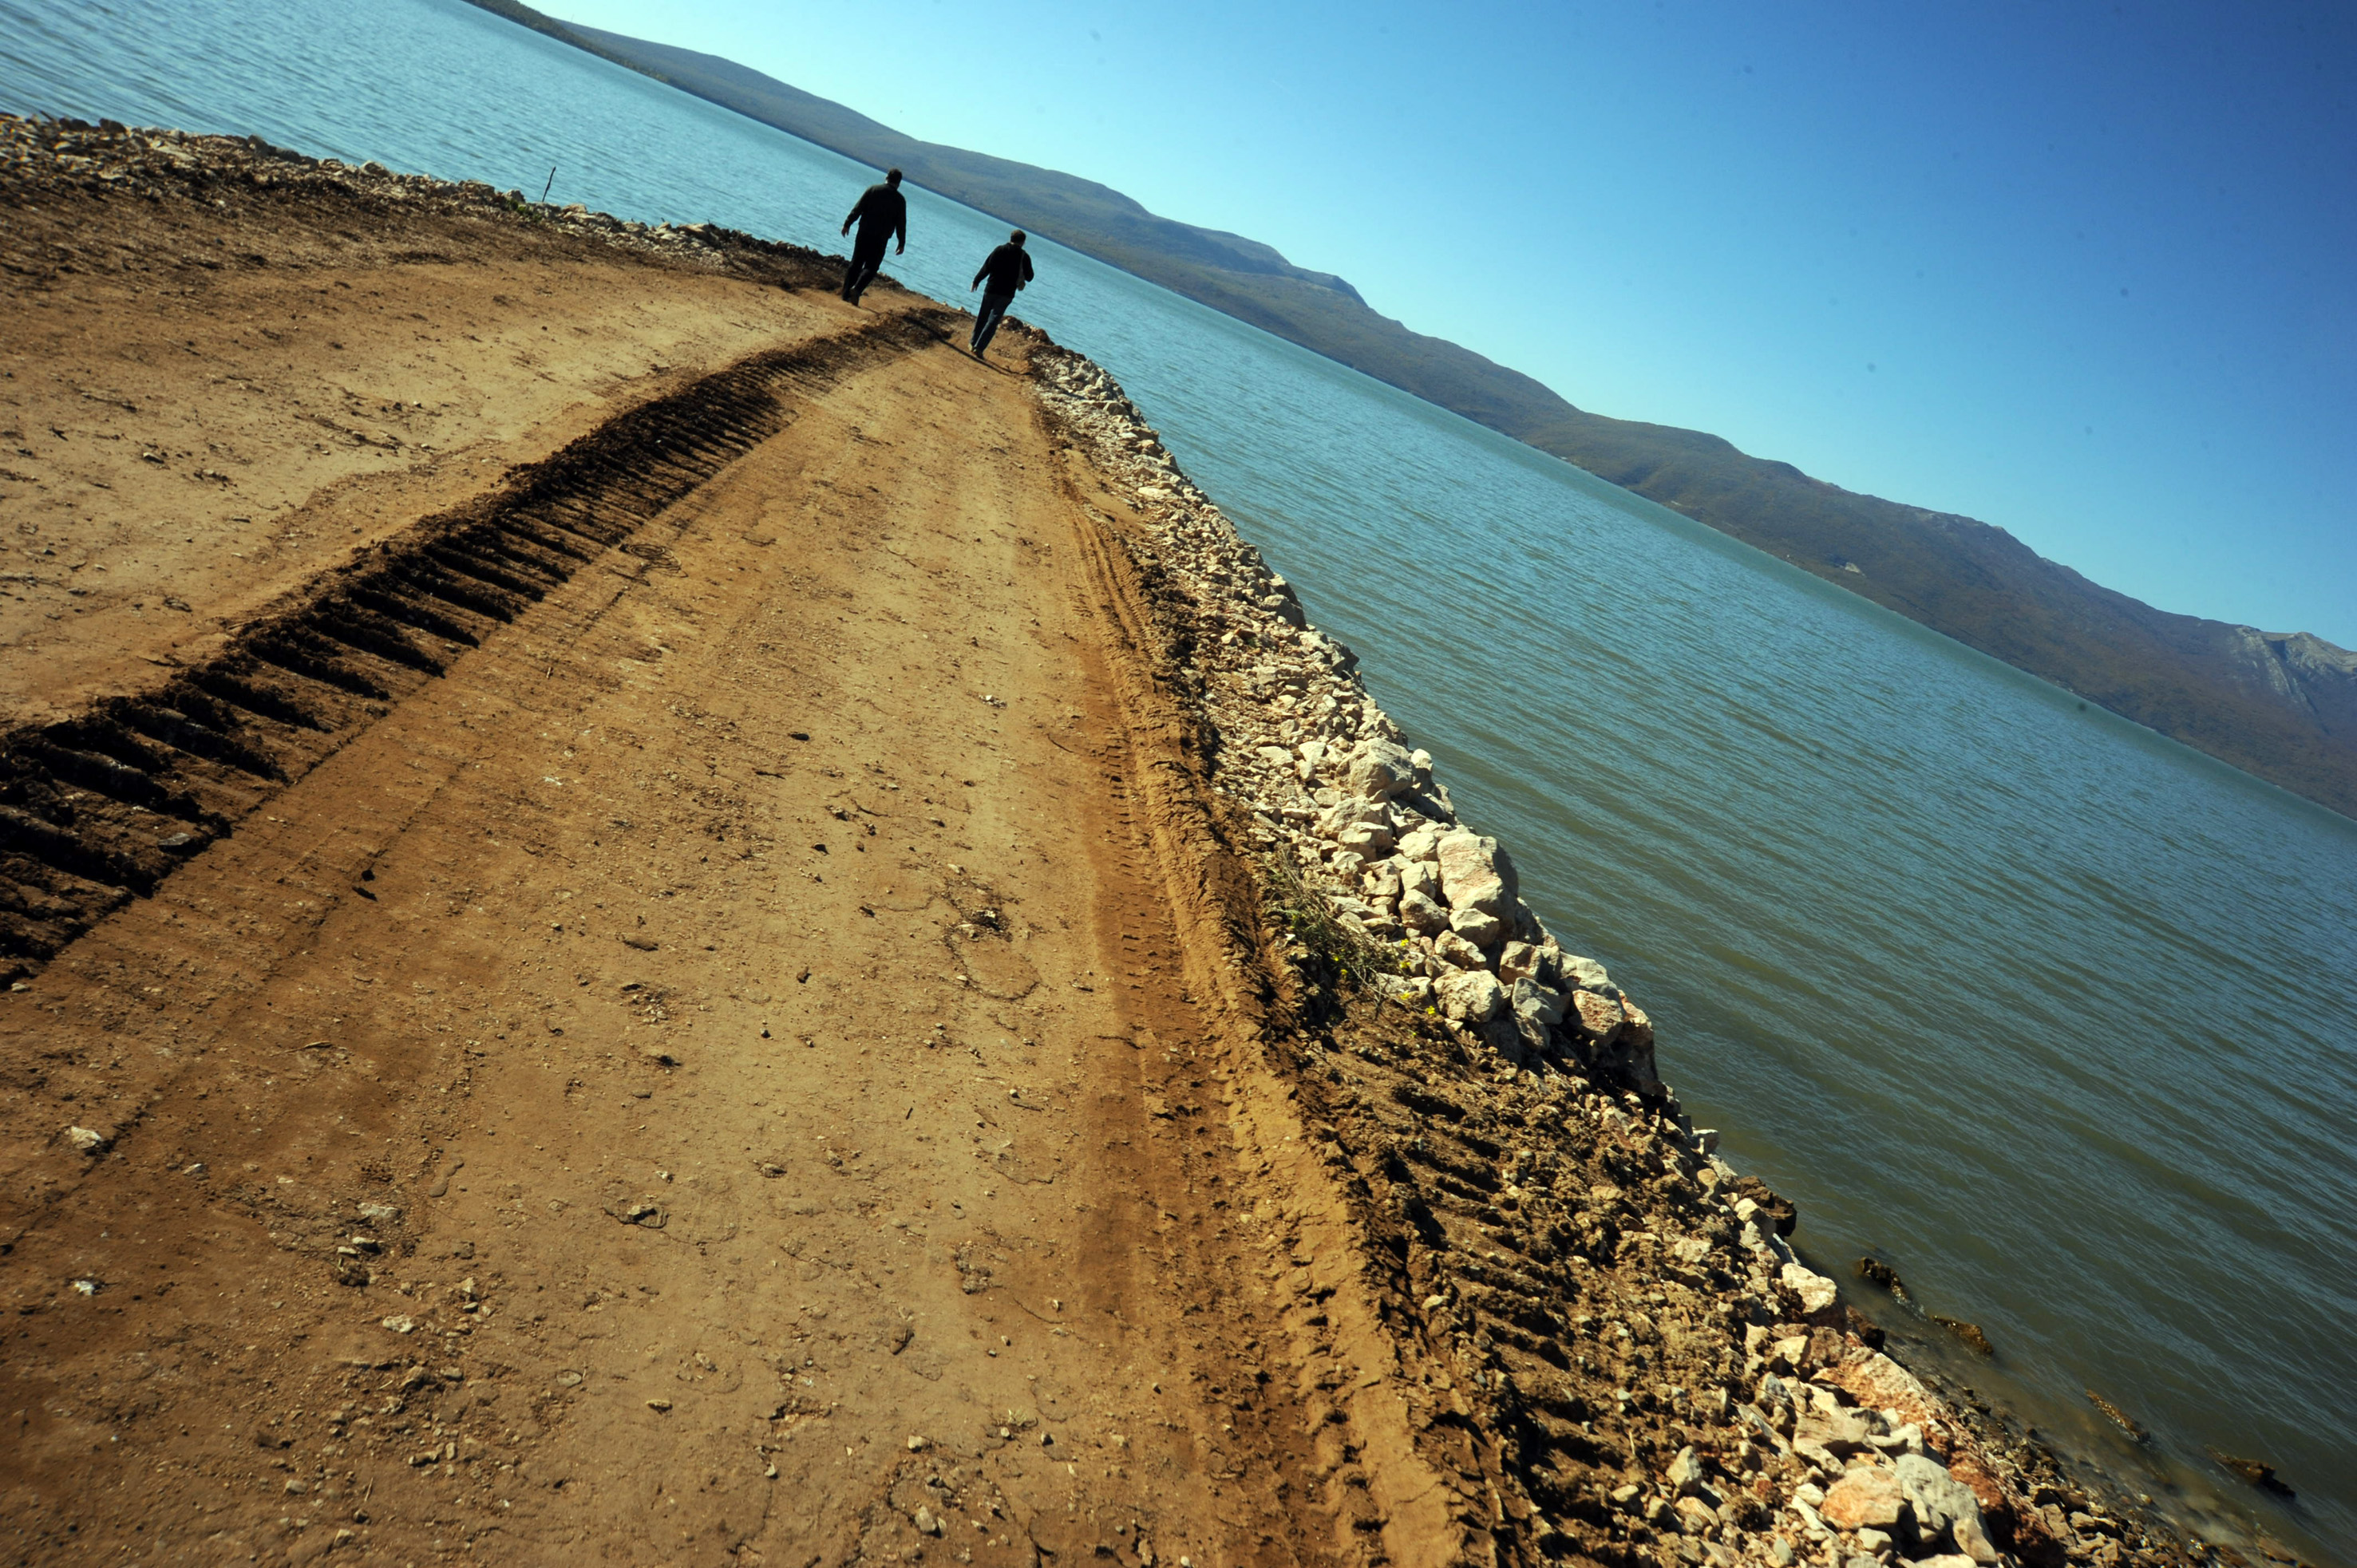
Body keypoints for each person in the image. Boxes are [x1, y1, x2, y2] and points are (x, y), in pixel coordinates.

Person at [839, 168, 906, 303]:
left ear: (886, 177)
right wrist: (901, 242)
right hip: (881, 237)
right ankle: (857, 289)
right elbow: (901, 223)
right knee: (872, 267)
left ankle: (845, 294)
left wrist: (848, 223)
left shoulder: (873, 190)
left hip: (864, 232)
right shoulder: (900, 200)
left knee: (856, 262)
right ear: (899, 183)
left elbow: (858, 208)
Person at [968, 230, 1034, 357]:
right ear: (1023, 242)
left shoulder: (1000, 250)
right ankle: (980, 348)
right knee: (993, 320)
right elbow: (1030, 277)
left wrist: (977, 280)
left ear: (1011, 238)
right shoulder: (1024, 257)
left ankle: (973, 343)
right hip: (1007, 293)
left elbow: (987, 266)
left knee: (983, 316)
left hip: (991, 288)